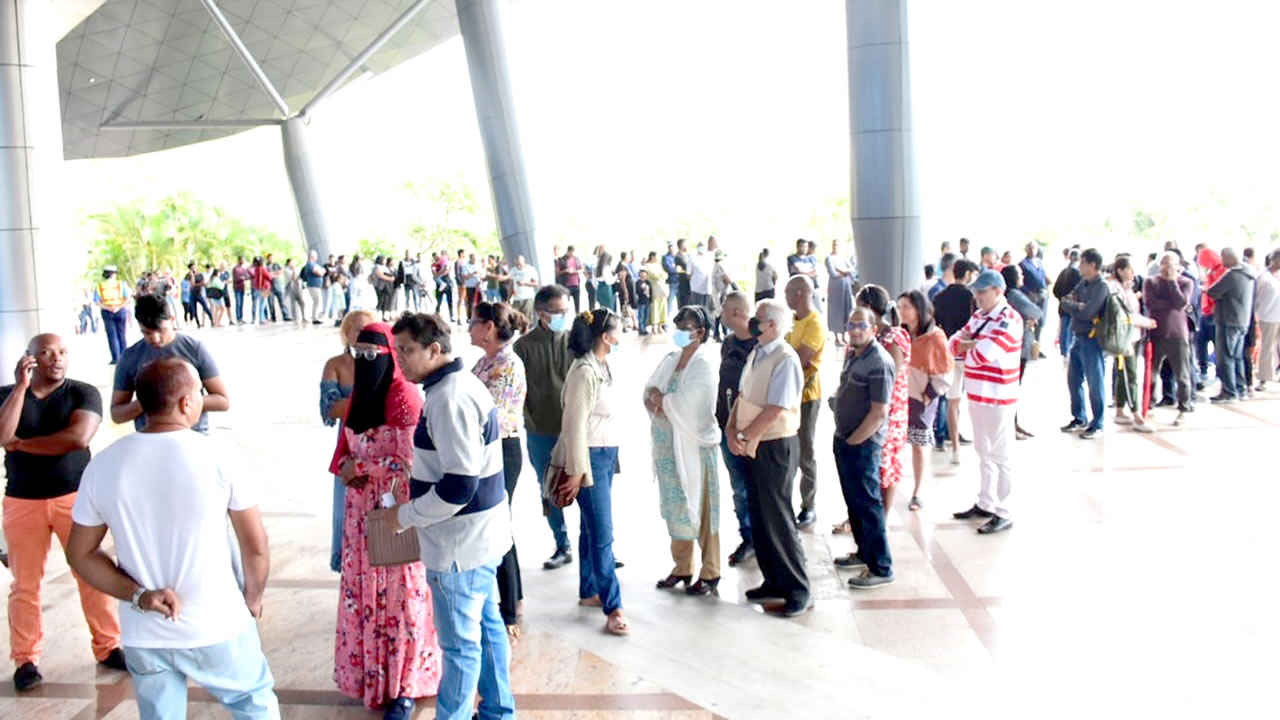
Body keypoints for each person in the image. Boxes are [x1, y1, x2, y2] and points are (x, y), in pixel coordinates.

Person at [66, 358, 279, 719]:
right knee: (252, 704)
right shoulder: (220, 457)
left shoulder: (104, 464)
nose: (201, 397)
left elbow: (80, 554)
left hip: (145, 634)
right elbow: (255, 547)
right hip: (217, 624)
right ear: (185, 402)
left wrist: (140, 596)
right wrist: (253, 598)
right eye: (198, 391)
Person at [372, 313, 517, 720]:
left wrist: (405, 515)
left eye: (407, 350)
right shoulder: (458, 384)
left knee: (460, 648)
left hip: (460, 547)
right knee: (487, 634)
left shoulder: (449, 397)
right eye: (397, 349)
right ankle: (499, 712)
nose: (399, 359)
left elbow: (459, 486)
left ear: (435, 349)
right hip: (480, 539)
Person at [0, 335, 125, 692]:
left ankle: (108, 646)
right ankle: (26, 659)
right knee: (25, 585)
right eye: (46, 353)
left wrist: (21, 445)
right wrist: (20, 388)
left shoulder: (83, 392)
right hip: (22, 502)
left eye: (62, 352)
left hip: (76, 500)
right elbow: (0, 433)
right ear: (30, 360)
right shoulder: (8, 395)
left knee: (91, 575)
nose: (56, 359)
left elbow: (77, 437)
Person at [328, 323, 441, 718]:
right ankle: (371, 677)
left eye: (372, 357)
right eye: (357, 356)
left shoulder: (406, 396)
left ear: (391, 356)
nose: (364, 363)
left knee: (401, 597)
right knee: (366, 593)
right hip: (360, 513)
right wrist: (346, 464)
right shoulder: (361, 395)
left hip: (396, 513)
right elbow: (345, 445)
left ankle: (404, 686)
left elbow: (411, 460)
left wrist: (363, 465)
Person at [548, 308, 631, 635]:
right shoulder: (584, 371)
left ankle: (590, 590)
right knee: (603, 534)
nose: (622, 332)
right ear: (604, 336)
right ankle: (614, 606)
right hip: (590, 458)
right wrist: (577, 471)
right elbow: (574, 427)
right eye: (617, 329)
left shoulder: (602, 366)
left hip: (605, 455)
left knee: (591, 527)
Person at [727, 298, 809, 617]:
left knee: (778, 516)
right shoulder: (757, 353)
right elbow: (743, 396)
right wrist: (733, 429)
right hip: (752, 443)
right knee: (760, 514)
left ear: (772, 325)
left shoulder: (784, 358)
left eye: (758, 319)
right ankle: (774, 580)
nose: (752, 321)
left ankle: (797, 587)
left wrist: (746, 436)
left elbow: (775, 409)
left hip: (774, 446)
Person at [644, 306, 722, 596]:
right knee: (676, 507)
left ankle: (711, 570)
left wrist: (663, 400)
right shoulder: (671, 359)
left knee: (702, 508)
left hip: (694, 447)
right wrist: (658, 400)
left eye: (685, 327)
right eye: (677, 326)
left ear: (700, 332)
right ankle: (682, 567)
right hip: (668, 450)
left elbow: (692, 405)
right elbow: (649, 390)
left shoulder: (702, 364)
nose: (678, 332)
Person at [469, 302, 530, 643]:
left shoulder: (507, 364)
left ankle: (508, 610)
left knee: (497, 527)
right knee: (497, 524)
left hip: (502, 449)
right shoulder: (485, 361)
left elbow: (493, 415)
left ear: (489, 327)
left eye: (474, 323)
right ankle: (514, 598)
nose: (469, 328)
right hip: (487, 450)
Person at [949, 270, 1023, 534]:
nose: (977, 296)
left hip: (999, 397)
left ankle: (1004, 511)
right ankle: (986, 502)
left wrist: (968, 345)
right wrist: (969, 344)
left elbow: (984, 354)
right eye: (976, 291)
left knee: (1001, 454)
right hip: (978, 393)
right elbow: (952, 343)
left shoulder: (1010, 319)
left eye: (982, 291)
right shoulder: (980, 316)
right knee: (983, 452)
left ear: (998, 291)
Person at [832, 307, 896, 589]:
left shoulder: (879, 362)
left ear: (874, 329)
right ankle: (863, 553)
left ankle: (881, 567)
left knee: (868, 505)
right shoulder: (853, 353)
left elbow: (880, 412)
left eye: (862, 325)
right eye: (851, 324)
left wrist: (855, 441)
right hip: (846, 439)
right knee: (855, 503)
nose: (855, 329)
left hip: (863, 444)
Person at [512, 285, 575, 569]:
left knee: (586, 486)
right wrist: (530, 419)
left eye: (565, 311)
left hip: (574, 429)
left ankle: (598, 546)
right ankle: (561, 544)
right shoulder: (523, 346)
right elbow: (517, 391)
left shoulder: (576, 341)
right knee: (548, 488)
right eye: (557, 312)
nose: (562, 316)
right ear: (541, 313)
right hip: (540, 431)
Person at [110, 295, 229, 435]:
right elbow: (117, 414)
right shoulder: (130, 357)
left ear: (172, 320)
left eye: (161, 330)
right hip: (150, 438)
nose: (155, 338)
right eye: (147, 332)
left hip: (193, 435)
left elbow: (223, 401)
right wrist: (148, 402)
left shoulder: (194, 349)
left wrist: (177, 400)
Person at [319, 310, 378, 572]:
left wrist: (351, 405)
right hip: (349, 447)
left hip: (381, 449)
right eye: (358, 330)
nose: (364, 335)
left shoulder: (386, 363)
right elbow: (329, 408)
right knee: (347, 509)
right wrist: (372, 405)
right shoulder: (336, 364)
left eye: (369, 329)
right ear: (347, 333)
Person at [855, 285, 909, 514]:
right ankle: (866, 518)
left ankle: (880, 521)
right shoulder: (871, 334)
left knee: (884, 467)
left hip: (886, 412)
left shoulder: (893, 337)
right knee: (868, 467)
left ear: (868, 307)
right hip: (869, 408)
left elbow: (890, 378)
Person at [897, 291, 952, 511]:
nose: (902, 311)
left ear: (919, 309)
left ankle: (918, 491)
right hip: (899, 397)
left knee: (919, 445)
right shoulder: (899, 334)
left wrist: (927, 395)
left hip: (922, 399)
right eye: (900, 306)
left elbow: (945, 372)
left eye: (906, 307)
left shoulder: (935, 336)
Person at [716, 293, 757, 566]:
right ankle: (748, 538)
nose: (720, 314)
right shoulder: (728, 343)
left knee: (758, 487)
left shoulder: (761, 346)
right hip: (725, 427)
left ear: (738, 314)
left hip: (753, 431)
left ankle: (767, 538)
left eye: (725, 310)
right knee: (739, 488)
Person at [783, 275, 824, 531]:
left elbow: (798, 360)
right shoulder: (794, 322)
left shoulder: (815, 324)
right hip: (788, 396)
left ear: (799, 294)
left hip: (807, 397)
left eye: (788, 292)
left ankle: (808, 506)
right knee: (788, 451)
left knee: (805, 453)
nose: (785, 297)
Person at [1059, 248, 1109, 439]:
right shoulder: (1083, 283)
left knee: (1095, 382)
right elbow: (1064, 301)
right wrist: (1077, 306)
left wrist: (1078, 308)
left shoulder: (1101, 286)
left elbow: (1089, 313)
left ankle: (1098, 423)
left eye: (1082, 263)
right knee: (1074, 380)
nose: (1079, 266)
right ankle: (1079, 417)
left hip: (1092, 338)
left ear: (1092, 265)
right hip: (1078, 337)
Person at [934, 259, 978, 462]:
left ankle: (954, 449)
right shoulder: (971, 296)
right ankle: (977, 442)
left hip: (948, 352)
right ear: (968, 274)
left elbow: (935, 324)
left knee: (950, 400)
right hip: (968, 353)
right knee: (974, 400)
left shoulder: (940, 296)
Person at [1107, 257, 1157, 431]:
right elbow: (1124, 315)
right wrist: (1146, 322)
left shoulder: (1125, 288)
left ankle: (1120, 410)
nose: (1133, 274)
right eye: (1130, 270)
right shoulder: (1115, 288)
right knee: (1131, 375)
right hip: (1124, 338)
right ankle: (1137, 415)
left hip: (1132, 336)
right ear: (1120, 270)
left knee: (1123, 374)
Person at [1145, 252, 1196, 419]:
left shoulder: (1186, 282)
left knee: (1182, 374)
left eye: (1171, 264)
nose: (1167, 268)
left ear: (1179, 265)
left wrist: (1173, 282)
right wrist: (1172, 305)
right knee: (1151, 373)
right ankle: (1148, 404)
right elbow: (1151, 303)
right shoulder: (1151, 282)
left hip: (1178, 334)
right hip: (1156, 334)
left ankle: (1184, 407)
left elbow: (1182, 303)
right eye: (1164, 264)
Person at [1000, 264, 1044, 438]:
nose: (1022, 277)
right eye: (1019, 274)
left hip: (1011, 347)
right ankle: (1011, 425)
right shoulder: (1014, 295)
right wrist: (1032, 316)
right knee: (1012, 388)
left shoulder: (1006, 295)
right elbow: (1036, 311)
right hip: (1017, 349)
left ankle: (1013, 424)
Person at [1207, 248, 1256, 403]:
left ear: (1230, 257)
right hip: (1242, 321)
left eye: (1223, 258)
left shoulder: (1232, 275)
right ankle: (1240, 388)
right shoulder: (1248, 273)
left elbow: (1212, 291)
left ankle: (1229, 392)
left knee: (1225, 358)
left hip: (1228, 321)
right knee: (1237, 357)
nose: (1222, 262)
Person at [1255, 250, 1280, 391]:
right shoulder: (1263, 277)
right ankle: (1263, 379)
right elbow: (1256, 298)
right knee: (1267, 348)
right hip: (1268, 317)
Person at [96, 266, 131, 364]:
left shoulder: (100, 286)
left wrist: (109, 308)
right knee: (122, 334)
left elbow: (97, 302)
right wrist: (118, 307)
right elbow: (128, 298)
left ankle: (116, 358)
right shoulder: (121, 284)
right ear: (114, 274)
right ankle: (125, 357)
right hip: (120, 311)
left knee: (112, 335)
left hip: (107, 312)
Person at [1052, 248, 1082, 359]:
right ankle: (1067, 351)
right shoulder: (1077, 273)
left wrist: (1062, 299)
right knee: (1069, 329)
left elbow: (1056, 290)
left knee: (1065, 328)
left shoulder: (1064, 271)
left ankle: (1064, 351)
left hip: (1063, 305)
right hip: (1072, 306)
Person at [826, 239, 856, 346]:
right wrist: (843, 273)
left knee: (846, 309)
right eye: (834, 244)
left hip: (846, 286)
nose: (836, 246)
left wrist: (843, 272)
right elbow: (833, 273)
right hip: (835, 288)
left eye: (838, 244)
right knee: (835, 311)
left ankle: (844, 335)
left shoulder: (843, 257)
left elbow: (852, 269)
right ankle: (836, 337)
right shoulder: (829, 258)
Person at [1019, 242, 1049, 348]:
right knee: (1031, 320)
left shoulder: (1039, 262)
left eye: (1034, 248)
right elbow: (1021, 282)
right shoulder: (1023, 264)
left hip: (1042, 294)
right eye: (1030, 248)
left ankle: (1037, 345)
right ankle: (1028, 345)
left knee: (1041, 321)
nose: (1032, 250)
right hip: (1031, 295)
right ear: (1026, 249)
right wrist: (1028, 292)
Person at [644, 251, 670, 332]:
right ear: (652, 257)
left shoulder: (659, 265)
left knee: (662, 307)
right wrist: (660, 276)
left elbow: (665, 274)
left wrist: (662, 276)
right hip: (654, 288)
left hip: (662, 288)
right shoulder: (647, 265)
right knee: (654, 307)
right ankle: (654, 326)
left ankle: (660, 326)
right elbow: (654, 275)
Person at [510, 255, 539, 320]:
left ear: (524, 262)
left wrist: (525, 283)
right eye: (517, 264)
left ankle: (527, 329)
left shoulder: (530, 269)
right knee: (515, 316)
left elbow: (536, 283)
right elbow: (511, 284)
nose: (519, 266)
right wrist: (509, 297)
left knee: (526, 318)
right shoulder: (513, 270)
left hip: (527, 297)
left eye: (520, 264)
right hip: (516, 298)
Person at [304, 249, 327, 324]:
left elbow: (322, 270)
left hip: (316, 286)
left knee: (317, 301)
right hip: (313, 285)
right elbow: (319, 272)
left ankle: (315, 317)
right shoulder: (310, 264)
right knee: (317, 301)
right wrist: (321, 270)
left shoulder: (314, 264)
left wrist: (322, 270)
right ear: (312, 256)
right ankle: (315, 318)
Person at [558, 246, 584, 312]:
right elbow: (557, 272)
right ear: (568, 251)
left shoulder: (577, 259)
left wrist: (576, 271)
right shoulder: (561, 259)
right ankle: (564, 318)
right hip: (566, 285)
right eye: (571, 252)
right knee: (565, 304)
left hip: (576, 284)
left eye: (573, 253)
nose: (572, 254)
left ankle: (577, 317)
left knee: (577, 304)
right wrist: (566, 271)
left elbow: (582, 269)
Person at [284, 258, 306, 325]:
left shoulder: (298, 268)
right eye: (291, 262)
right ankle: (294, 318)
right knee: (292, 303)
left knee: (302, 302)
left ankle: (304, 316)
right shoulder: (286, 270)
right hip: (291, 288)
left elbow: (300, 277)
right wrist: (293, 270)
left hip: (299, 288)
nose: (293, 264)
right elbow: (293, 278)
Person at [232, 256, 252, 325]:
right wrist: (242, 278)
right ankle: (238, 318)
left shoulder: (243, 269)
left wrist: (244, 277)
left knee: (242, 303)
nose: (243, 261)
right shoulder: (235, 269)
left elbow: (247, 276)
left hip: (242, 287)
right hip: (237, 288)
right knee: (238, 303)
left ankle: (241, 317)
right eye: (242, 260)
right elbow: (236, 278)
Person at [662, 243, 680, 318]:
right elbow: (669, 269)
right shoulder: (666, 257)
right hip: (672, 282)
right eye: (670, 247)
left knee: (680, 304)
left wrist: (676, 268)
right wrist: (677, 269)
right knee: (669, 303)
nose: (671, 248)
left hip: (680, 282)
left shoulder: (678, 256)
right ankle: (665, 323)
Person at [636, 268, 653, 335]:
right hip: (641, 301)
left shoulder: (648, 282)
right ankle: (641, 329)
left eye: (645, 273)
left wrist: (651, 300)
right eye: (642, 273)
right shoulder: (638, 282)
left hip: (647, 301)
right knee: (641, 315)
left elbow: (651, 291)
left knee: (646, 316)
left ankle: (645, 328)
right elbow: (637, 291)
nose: (643, 275)